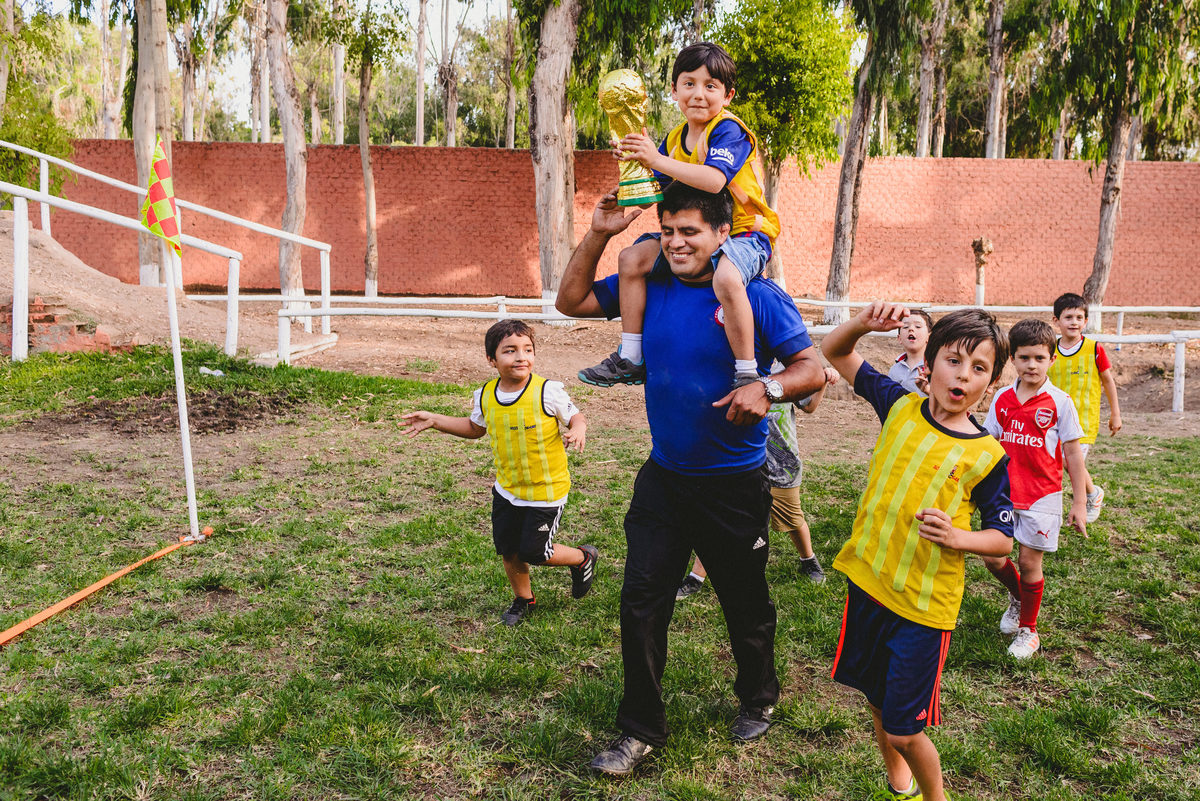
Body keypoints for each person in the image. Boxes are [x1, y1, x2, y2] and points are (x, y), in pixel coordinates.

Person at [555, 182, 825, 777]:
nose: (676, 243)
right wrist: (600, 231)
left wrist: (767, 387)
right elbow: (568, 301)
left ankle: (758, 695)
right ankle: (639, 730)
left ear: (723, 235)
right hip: (665, 478)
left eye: (691, 232)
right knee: (641, 603)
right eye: (668, 230)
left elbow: (813, 370)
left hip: (733, 483)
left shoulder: (757, 295)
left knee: (744, 604)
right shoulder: (649, 285)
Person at [821, 303, 1015, 801]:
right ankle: (897, 782)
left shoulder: (988, 457)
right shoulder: (898, 404)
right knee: (876, 698)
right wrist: (864, 324)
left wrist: (958, 538)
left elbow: (1001, 538)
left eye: (979, 369)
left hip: (924, 608)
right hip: (868, 584)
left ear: (989, 383)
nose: (964, 376)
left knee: (907, 728)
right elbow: (834, 351)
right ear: (928, 363)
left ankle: (936, 797)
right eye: (954, 360)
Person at [577, 41, 780, 391]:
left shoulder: (728, 130)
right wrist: (628, 193)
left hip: (745, 234)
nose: (698, 94)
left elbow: (716, 181)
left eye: (710, 86)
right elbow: (656, 186)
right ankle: (631, 356)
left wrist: (653, 159)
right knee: (630, 259)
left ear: (728, 95)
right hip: (693, 234)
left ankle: (747, 372)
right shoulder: (674, 139)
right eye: (689, 84)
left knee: (728, 278)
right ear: (673, 90)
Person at [399, 320, 597, 627]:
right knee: (509, 549)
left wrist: (579, 429)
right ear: (492, 359)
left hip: (546, 491)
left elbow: (576, 416)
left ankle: (583, 557)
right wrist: (436, 420)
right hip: (507, 489)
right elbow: (475, 428)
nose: (521, 357)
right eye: (510, 351)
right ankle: (524, 599)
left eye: (527, 350)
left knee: (534, 551)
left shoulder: (548, 391)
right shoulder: (485, 395)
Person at [677, 366, 841, 599]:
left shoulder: (790, 368)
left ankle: (809, 559)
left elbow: (809, 406)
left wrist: (823, 379)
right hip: (739, 460)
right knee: (721, 517)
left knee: (792, 517)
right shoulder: (735, 366)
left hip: (781, 461)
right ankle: (696, 576)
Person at [980, 319, 1089, 660]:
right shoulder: (1002, 397)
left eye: (1039, 358)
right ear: (1013, 358)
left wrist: (1080, 503)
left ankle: (1029, 630)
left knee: (1029, 562)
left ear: (1052, 360)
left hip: (1042, 495)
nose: (1031, 365)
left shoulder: (1060, 402)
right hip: (1004, 493)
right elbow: (990, 443)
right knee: (992, 557)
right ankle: (1018, 598)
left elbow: (1072, 454)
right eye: (1024, 358)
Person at [1047, 292, 1122, 523]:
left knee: (1070, 462)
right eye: (1068, 317)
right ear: (1056, 321)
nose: (1074, 322)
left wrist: (1115, 414)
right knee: (1055, 464)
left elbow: (1108, 380)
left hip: (1083, 422)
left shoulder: (1094, 349)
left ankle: (1091, 495)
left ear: (1086, 321)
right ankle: (1076, 499)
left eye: (1079, 317)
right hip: (1053, 419)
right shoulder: (1050, 350)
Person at [888, 309, 933, 396]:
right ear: (899, 338)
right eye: (905, 327)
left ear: (929, 337)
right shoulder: (895, 370)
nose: (911, 329)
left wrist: (928, 390)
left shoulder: (935, 366)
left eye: (918, 326)